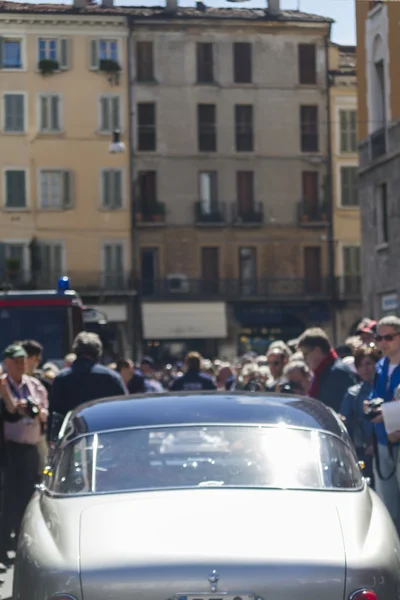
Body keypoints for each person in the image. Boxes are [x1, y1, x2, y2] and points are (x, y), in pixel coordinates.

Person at [0, 344, 48, 566]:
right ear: (7, 363)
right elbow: (9, 414)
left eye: (23, 361)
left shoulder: (35, 385)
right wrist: (16, 404)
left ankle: (25, 549)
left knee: (31, 498)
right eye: (15, 361)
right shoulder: (3, 385)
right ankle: (4, 547)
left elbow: (45, 413)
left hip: (32, 446)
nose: (21, 365)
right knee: (10, 499)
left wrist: (34, 409)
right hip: (11, 450)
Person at [48, 332, 128, 439]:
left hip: (71, 440)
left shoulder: (61, 378)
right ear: (98, 352)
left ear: (75, 351)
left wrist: (52, 440)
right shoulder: (112, 377)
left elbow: (55, 415)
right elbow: (124, 410)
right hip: (106, 438)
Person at [363, 316, 400, 532]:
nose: (382, 343)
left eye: (389, 337)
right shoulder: (380, 365)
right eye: (379, 338)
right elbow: (375, 395)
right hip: (382, 441)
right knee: (387, 508)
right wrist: (369, 406)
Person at [297, 328, 356, 412]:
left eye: (306, 354)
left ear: (317, 350)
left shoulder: (338, 373)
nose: (304, 358)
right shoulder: (320, 373)